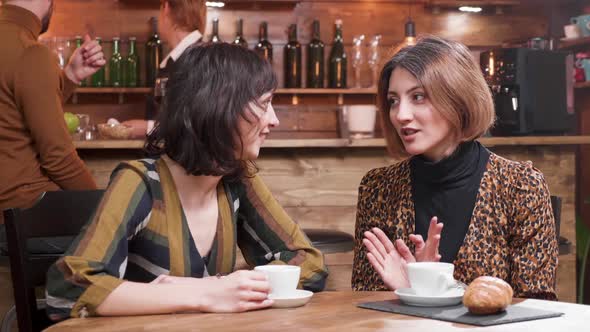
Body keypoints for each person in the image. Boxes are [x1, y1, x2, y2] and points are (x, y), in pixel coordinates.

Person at [45, 43, 328, 320]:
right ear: (219, 107)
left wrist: (239, 289)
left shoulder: (236, 180)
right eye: (265, 104)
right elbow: (68, 287)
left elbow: (308, 261)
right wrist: (206, 293)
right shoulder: (141, 182)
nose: (274, 119)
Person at [351, 36, 558, 300]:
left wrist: (431, 286)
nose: (400, 114)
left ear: (458, 100)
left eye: (417, 97)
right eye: (393, 100)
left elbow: (536, 305)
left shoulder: (520, 186)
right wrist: (410, 291)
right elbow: (364, 299)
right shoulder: (378, 188)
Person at [0, 0, 104, 248]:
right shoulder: (30, 52)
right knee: (134, 243)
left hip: (7, 221)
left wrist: (68, 78)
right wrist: (105, 207)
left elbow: (12, 115)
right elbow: (58, 159)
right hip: (24, 220)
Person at [122, 0, 206, 138]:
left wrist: (147, 128)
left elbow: (199, 124)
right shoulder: (180, 58)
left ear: (166, 8)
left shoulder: (199, 58)